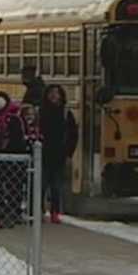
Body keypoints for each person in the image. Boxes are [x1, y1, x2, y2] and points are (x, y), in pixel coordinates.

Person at [40, 84, 78, 224]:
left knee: (56, 186)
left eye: (57, 93)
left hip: (59, 154)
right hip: (43, 153)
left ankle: (55, 212)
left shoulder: (66, 113)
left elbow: (73, 134)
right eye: (51, 92)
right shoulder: (41, 112)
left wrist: (69, 153)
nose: (54, 95)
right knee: (41, 185)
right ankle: (40, 211)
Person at [0, 91, 27, 229]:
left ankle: (13, 210)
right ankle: (2, 209)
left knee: (13, 186)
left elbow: (19, 138)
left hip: (12, 157)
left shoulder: (14, 119)